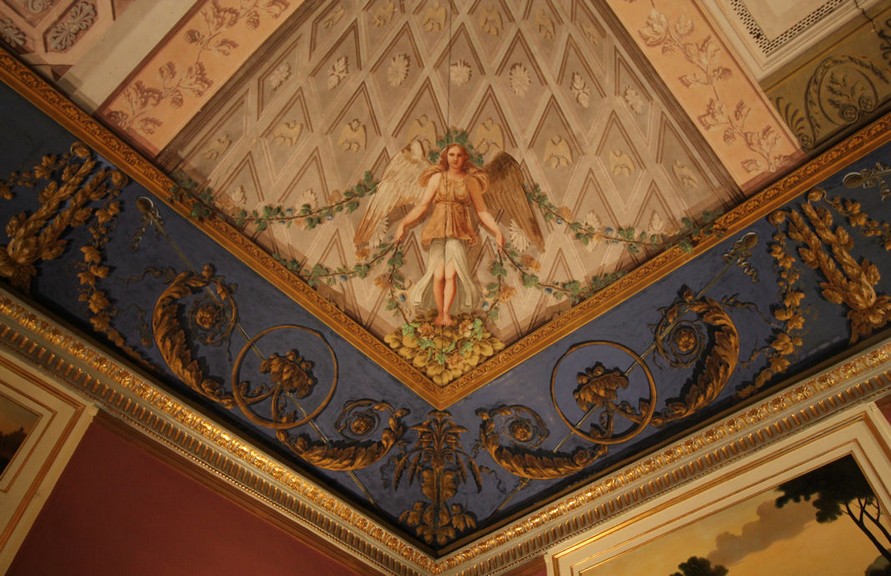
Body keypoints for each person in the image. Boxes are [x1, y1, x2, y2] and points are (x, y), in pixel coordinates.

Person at [394, 144, 504, 326]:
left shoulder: (470, 181)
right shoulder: (437, 178)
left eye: (459, 155)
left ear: (465, 158)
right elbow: (422, 205)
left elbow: (482, 211)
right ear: (446, 157)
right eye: (451, 155)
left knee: (451, 274)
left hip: (458, 232)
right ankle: (440, 313)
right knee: (437, 274)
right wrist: (403, 224)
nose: (455, 159)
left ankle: (446, 313)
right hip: (437, 230)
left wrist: (497, 232)